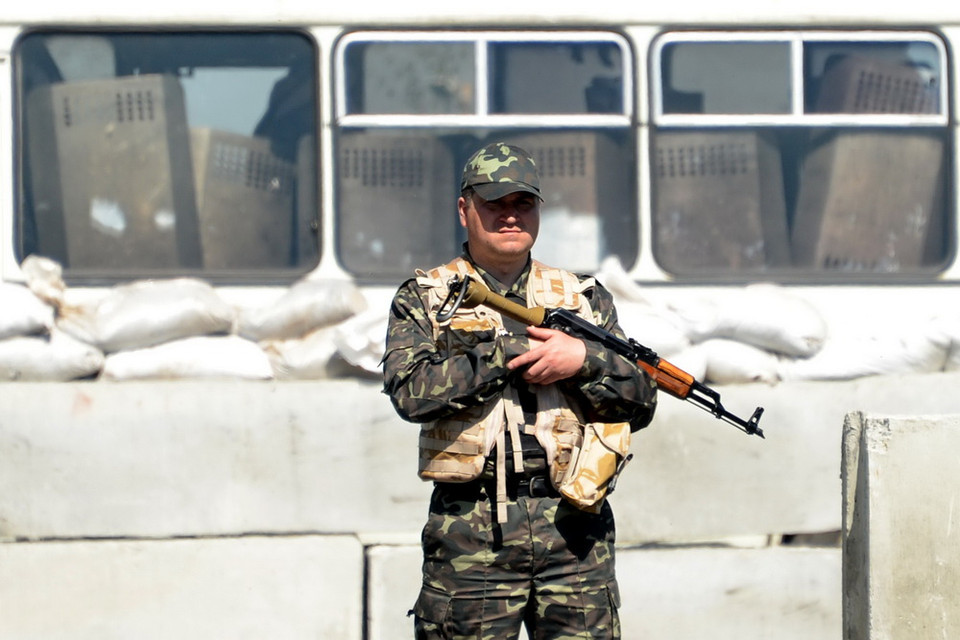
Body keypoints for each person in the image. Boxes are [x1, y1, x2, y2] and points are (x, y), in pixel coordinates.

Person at [382, 141, 658, 639]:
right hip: (471, 536)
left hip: (575, 532)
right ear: (464, 210)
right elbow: (410, 390)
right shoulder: (424, 298)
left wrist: (582, 360)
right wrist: (505, 352)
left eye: (522, 204)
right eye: (495, 204)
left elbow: (641, 399)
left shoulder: (583, 299)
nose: (510, 217)